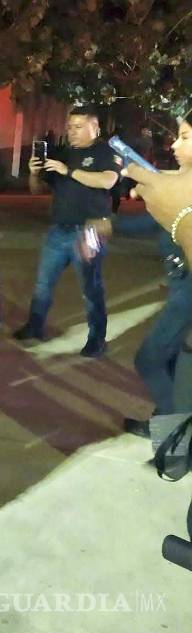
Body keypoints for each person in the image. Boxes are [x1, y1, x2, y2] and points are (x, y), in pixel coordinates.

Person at [88, 117, 192, 436]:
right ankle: (168, 423)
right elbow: (157, 223)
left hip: (186, 293)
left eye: (186, 137)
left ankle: (173, 436)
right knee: (171, 363)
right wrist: (112, 226)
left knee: (150, 360)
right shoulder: (181, 187)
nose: (174, 145)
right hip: (180, 287)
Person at [14, 106, 121, 357]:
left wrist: (68, 171)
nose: (72, 132)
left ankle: (97, 339)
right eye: (70, 127)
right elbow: (37, 190)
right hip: (58, 230)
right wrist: (34, 174)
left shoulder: (105, 153)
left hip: (89, 231)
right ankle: (35, 325)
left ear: (94, 127)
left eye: (78, 127)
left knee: (91, 289)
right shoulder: (62, 153)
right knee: (43, 284)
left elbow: (107, 180)